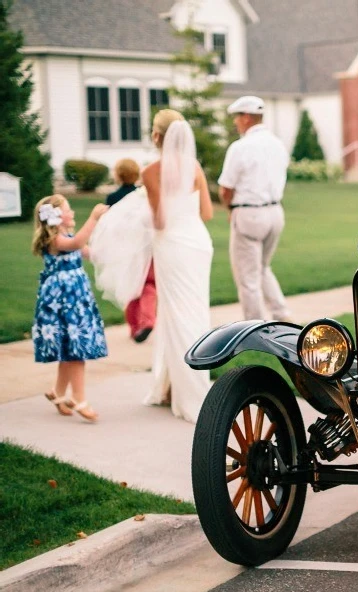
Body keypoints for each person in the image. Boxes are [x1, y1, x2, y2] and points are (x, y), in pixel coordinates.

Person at [140, 109, 215, 423]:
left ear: (157, 136)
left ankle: (188, 394)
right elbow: (207, 212)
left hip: (172, 244)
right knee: (194, 312)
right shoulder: (193, 166)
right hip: (197, 243)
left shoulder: (150, 172)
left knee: (174, 312)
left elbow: (159, 220)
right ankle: (173, 386)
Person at [31, 194, 109, 422]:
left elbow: (89, 251)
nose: (72, 212)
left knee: (69, 350)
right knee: (76, 351)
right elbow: (75, 245)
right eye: (68, 209)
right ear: (55, 216)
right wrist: (93, 218)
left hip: (75, 300)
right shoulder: (55, 241)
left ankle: (57, 392)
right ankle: (78, 398)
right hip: (63, 302)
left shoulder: (68, 237)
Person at [218, 95, 292, 322]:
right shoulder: (278, 144)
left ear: (247, 117)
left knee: (247, 277)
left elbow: (225, 189)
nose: (236, 122)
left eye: (237, 117)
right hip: (275, 212)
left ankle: (254, 326)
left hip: (249, 213)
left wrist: (230, 210)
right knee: (262, 267)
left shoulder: (240, 147)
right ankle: (281, 314)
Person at [106, 158, 156, 343]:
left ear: (118, 175)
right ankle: (148, 320)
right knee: (149, 284)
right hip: (146, 247)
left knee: (131, 287)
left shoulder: (112, 198)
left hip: (125, 250)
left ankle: (134, 327)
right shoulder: (143, 196)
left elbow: (109, 226)